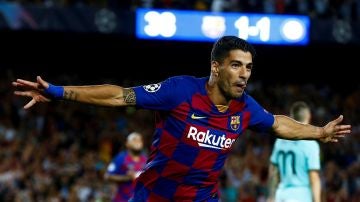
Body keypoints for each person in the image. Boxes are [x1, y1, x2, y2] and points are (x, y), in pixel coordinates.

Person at [13, 36, 351, 201]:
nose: (244, 74)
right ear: (215, 67)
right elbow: (120, 95)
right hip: (154, 195)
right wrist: (57, 92)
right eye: (236, 65)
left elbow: (278, 123)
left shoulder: (245, 108)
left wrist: (319, 131)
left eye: (248, 67)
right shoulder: (179, 91)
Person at [268, 101, 321, 202]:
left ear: (291, 117)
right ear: (309, 116)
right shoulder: (310, 144)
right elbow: (313, 177)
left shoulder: (280, 140)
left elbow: (273, 171)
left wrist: (271, 196)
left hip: (281, 194)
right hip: (300, 195)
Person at [104, 132, 147, 202]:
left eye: (140, 140)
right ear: (127, 143)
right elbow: (107, 176)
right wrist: (127, 178)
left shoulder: (145, 160)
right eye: (134, 140)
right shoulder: (120, 158)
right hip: (122, 199)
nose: (137, 142)